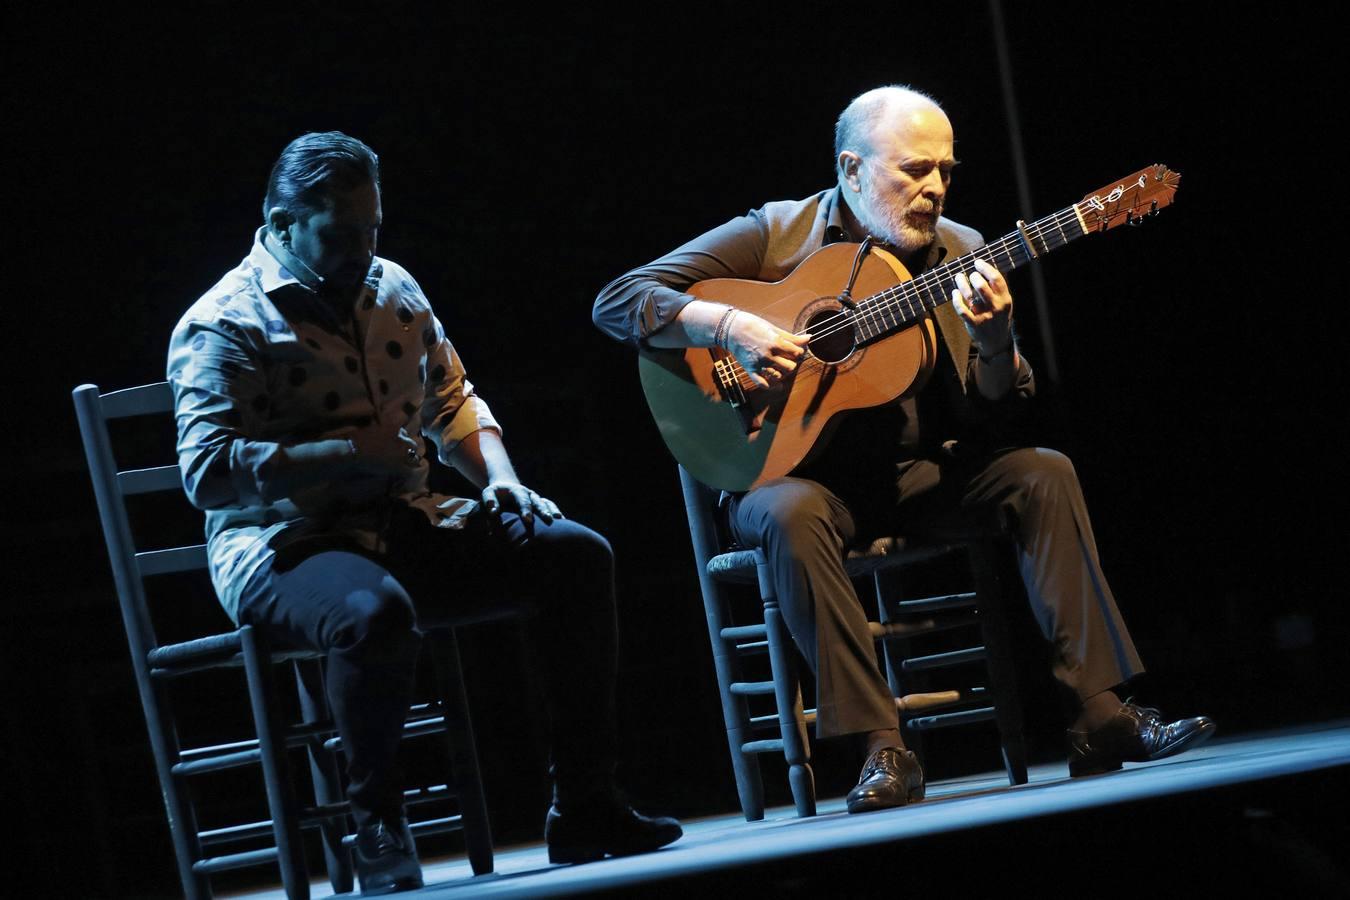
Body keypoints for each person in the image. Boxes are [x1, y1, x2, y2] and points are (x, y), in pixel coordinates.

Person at [592, 86, 1214, 814]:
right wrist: (726, 325)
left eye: (946, 171)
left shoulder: (963, 252)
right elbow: (618, 300)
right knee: (791, 514)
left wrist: (995, 343)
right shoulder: (777, 234)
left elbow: (996, 421)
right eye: (913, 171)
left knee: (1042, 472)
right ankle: (882, 750)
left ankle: (1101, 717)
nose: (934, 189)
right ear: (851, 169)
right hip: (794, 478)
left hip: (920, 475)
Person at [169, 131, 681, 894]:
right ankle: (374, 824)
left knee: (575, 554)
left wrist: (499, 478)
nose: (362, 250)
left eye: (371, 230)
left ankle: (587, 805)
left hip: (408, 518)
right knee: (374, 613)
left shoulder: (393, 290)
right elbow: (207, 474)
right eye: (340, 235)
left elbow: (452, 400)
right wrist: (344, 453)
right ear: (280, 223)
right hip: (282, 542)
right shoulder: (225, 321)